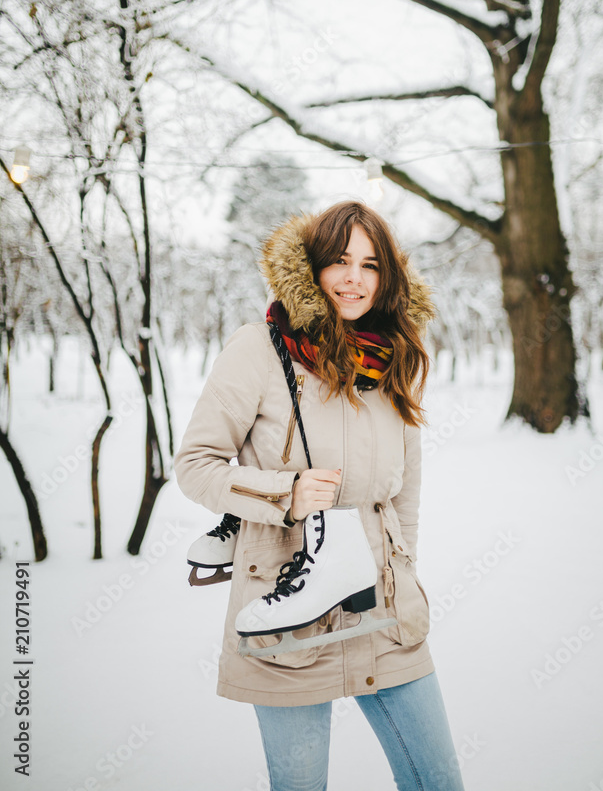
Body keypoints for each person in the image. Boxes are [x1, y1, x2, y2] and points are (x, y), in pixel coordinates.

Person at [175, 200, 466, 791]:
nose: (353, 278)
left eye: (369, 264)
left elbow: (403, 492)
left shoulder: (394, 358)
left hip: (382, 606)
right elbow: (195, 465)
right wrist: (283, 493)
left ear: (387, 276)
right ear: (311, 268)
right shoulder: (260, 348)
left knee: (437, 783)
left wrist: (403, 571)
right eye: (338, 261)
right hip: (288, 608)